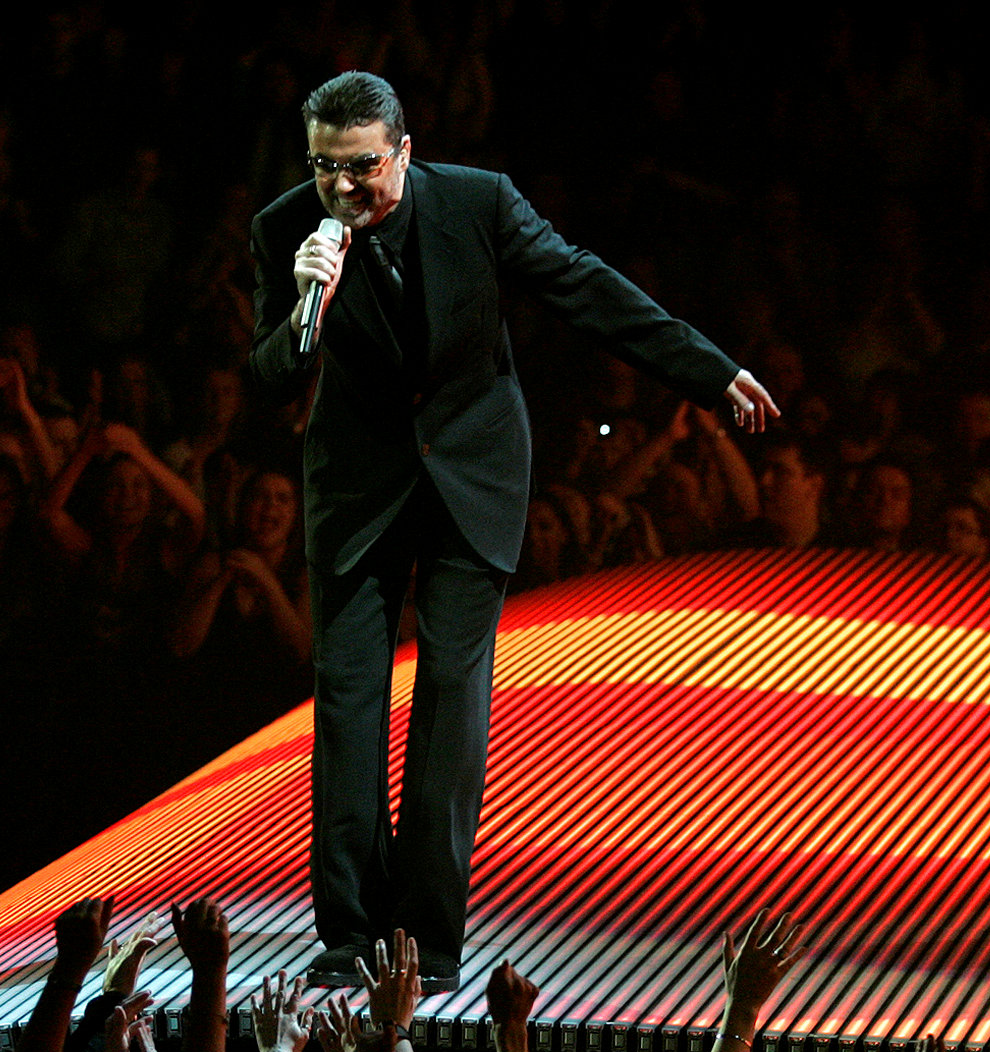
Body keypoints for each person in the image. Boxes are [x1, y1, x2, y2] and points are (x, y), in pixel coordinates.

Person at [249, 71, 776, 989]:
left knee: (452, 701)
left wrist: (704, 369)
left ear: (402, 153)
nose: (342, 189)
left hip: (469, 473)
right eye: (326, 168)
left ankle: (427, 939)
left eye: (362, 168)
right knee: (347, 705)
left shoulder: (479, 203)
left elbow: (584, 286)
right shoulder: (283, 229)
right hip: (359, 487)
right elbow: (268, 379)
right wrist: (308, 305)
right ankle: (347, 935)